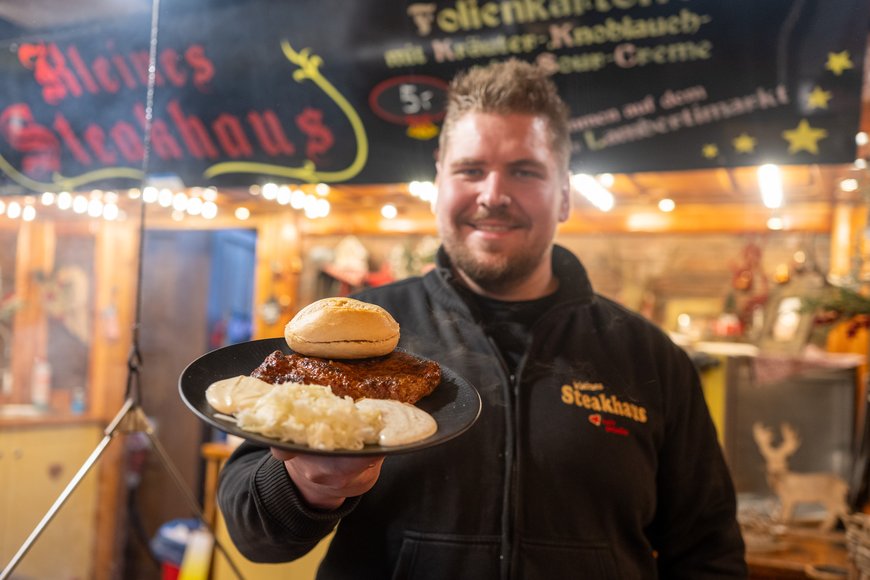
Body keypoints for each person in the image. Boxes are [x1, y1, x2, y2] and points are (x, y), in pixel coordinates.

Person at [217, 58, 747, 579]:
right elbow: (253, 534)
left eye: (524, 171)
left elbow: (708, 551)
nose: (493, 195)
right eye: (471, 170)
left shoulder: (650, 357)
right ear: (440, 184)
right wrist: (306, 487)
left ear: (563, 194)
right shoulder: (359, 334)